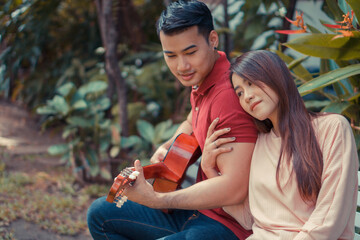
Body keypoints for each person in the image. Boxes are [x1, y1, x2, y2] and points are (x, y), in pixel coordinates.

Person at [87, 1, 258, 239]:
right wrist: (170, 146)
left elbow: (235, 190)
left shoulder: (228, 97)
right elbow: (192, 120)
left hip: (227, 225)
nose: (182, 66)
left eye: (190, 52)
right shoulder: (203, 80)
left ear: (212, 39)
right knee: (100, 213)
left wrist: (158, 199)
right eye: (171, 55)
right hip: (199, 211)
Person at [202, 50, 359, 239]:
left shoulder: (332, 128)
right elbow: (249, 218)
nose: (247, 97)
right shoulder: (261, 143)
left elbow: (329, 219)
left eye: (251, 83)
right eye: (240, 93)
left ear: (275, 76)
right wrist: (209, 169)